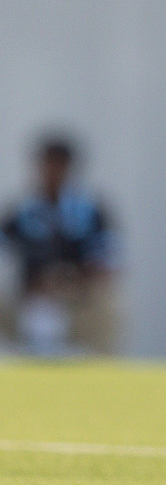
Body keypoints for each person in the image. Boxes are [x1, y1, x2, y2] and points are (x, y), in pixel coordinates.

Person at [1, 133, 118, 356]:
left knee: (112, 305)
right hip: (28, 297)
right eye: (46, 164)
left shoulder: (90, 211)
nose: (51, 171)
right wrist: (35, 284)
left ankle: (102, 370)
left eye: (58, 165)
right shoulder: (22, 211)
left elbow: (108, 262)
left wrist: (68, 281)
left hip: (77, 297)